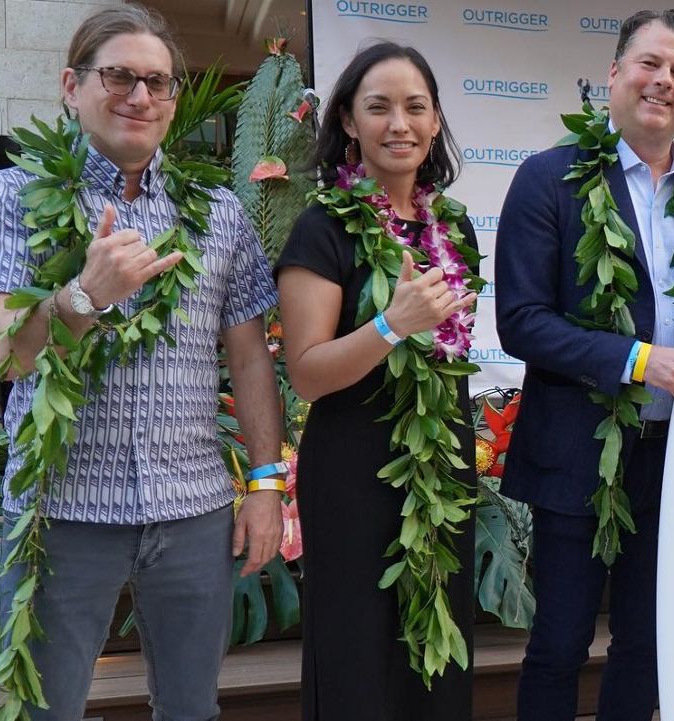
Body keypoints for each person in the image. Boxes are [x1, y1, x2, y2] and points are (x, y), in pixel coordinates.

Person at [0, 5, 284, 718]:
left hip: (194, 513)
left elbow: (251, 357)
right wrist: (83, 296)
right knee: (47, 709)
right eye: (120, 77)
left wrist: (265, 480)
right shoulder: (13, 198)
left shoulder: (220, 213)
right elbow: (1, 356)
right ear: (71, 86)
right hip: (62, 512)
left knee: (193, 709)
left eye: (158, 82)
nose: (141, 96)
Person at [495, 9, 674, 720]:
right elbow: (521, 320)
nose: (663, 81)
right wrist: (637, 360)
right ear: (614, 74)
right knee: (561, 641)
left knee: (648, 641)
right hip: (576, 449)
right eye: (649, 63)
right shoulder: (549, 180)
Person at [275, 41, 479, 720]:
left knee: (438, 662)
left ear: (436, 121)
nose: (400, 123)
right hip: (354, 478)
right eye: (379, 107)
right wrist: (391, 325)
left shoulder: (453, 227)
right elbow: (306, 374)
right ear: (348, 122)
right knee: (358, 664)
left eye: (416, 107)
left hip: (441, 473)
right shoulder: (321, 227)